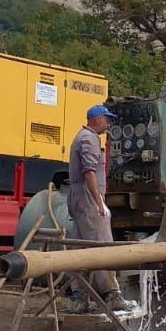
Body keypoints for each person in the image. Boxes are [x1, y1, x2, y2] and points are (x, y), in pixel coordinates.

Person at [66, 105, 129, 312]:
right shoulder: (90, 139)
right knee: (102, 244)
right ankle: (111, 294)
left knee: (80, 247)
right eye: (107, 119)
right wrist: (99, 202)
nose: (108, 124)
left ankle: (79, 297)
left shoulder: (80, 136)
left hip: (77, 196)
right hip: (88, 196)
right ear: (98, 119)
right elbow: (90, 172)